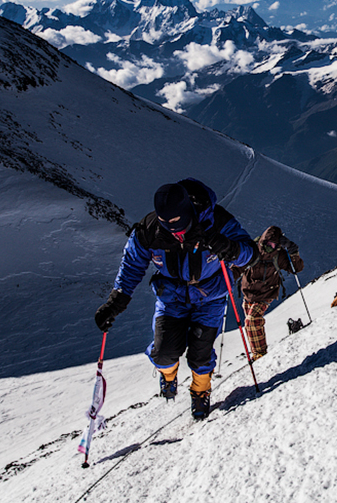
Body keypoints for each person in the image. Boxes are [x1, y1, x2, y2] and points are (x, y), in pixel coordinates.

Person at [94, 178, 257, 420]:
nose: (175, 231)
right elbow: (131, 265)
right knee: (162, 353)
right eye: (167, 225)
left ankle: (200, 392)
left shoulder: (216, 221)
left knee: (200, 354)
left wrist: (230, 248)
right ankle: (168, 376)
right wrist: (115, 302)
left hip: (210, 296)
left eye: (179, 224)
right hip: (171, 297)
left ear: (189, 212)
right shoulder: (149, 230)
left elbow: (250, 255)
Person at [235, 226, 304, 360]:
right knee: (251, 325)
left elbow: (296, 269)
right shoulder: (253, 250)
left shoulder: (279, 255)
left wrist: (293, 252)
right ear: (262, 241)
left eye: (273, 244)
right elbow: (238, 266)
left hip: (267, 293)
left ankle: (260, 355)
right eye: (267, 244)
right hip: (249, 293)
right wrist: (226, 278)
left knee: (252, 321)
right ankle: (257, 352)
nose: (270, 247)